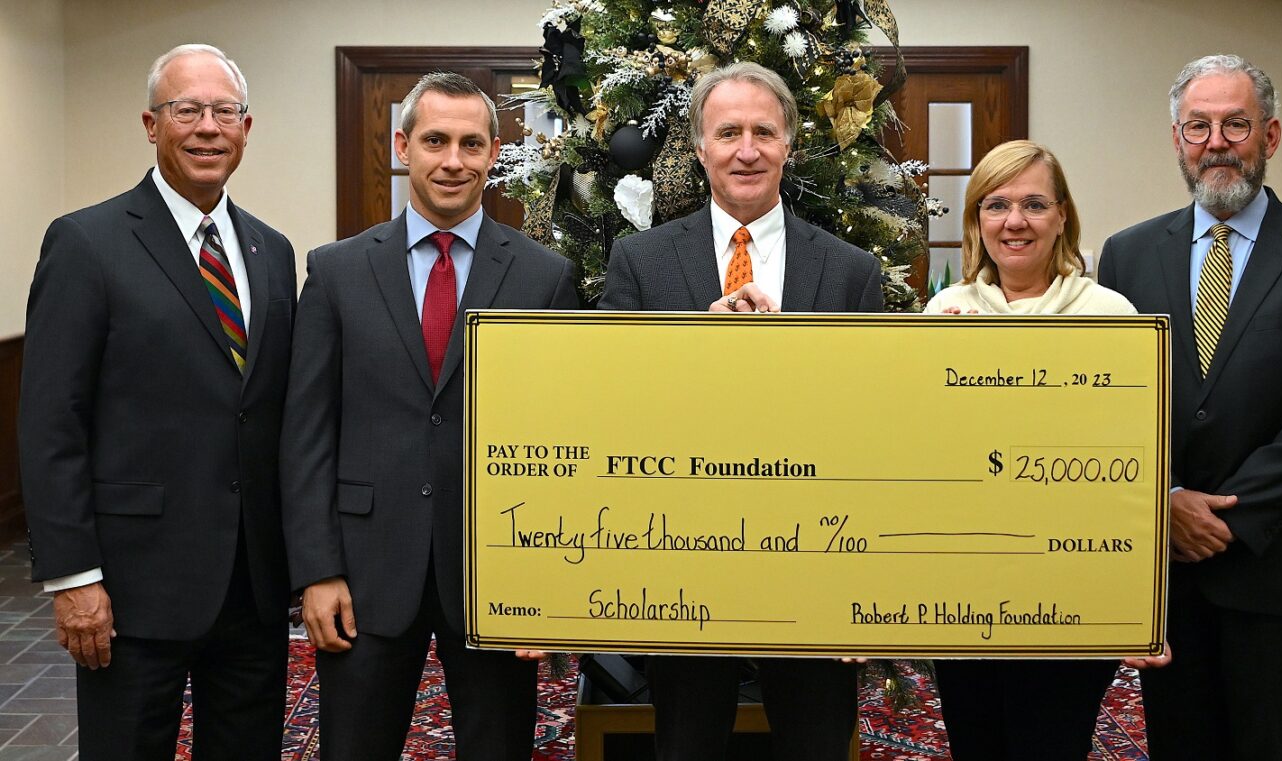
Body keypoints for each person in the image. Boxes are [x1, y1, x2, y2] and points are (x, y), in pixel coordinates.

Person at [280, 71, 579, 761]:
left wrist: (548, 586)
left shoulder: (544, 277)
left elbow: (565, 435)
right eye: (436, 140)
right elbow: (306, 434)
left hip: (496, 568)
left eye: (471, 143)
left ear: (495, 153)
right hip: (364, 567)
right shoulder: (337, 271)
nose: (453, 160)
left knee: (498, 747)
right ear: (401, 145)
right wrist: (317, 571)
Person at [17, 44, 295, 760]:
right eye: (187, 110)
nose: (208, 127)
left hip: (253, 586)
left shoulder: (273, 250)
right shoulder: (87, 242)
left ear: (247, 126)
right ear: (151, 123)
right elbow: (52, 423)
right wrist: (75, 578)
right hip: (133, 587)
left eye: (224, 111)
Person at [1098, 54, 1282, 761]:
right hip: (1168, 570)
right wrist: (1165, 502)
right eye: (1198, 125)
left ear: (1271, 135)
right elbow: (1114, 400)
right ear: (1177, 138)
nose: (1216, 142)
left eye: (1235, 124)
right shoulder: (1127, 255)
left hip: (1278, 568)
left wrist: (1224, 513)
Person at [599, 61, 881, 761]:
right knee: (686, 744)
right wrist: (700, 348)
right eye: (728, 132)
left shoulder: (850, 271)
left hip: (817, 557)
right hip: (684, 557)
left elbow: (874, 424)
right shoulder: (639, 261)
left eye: (763, 130)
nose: (747, 149)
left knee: (816, 742)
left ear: (790, 144)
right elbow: (611, 403)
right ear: (700, 149)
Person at [924, 139, 1132, 760]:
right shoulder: (943, 312)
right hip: (965, 584)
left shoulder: (1111, 316)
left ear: (1063, 215)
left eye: (1034, 204)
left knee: (1051, 741)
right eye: (996, 205)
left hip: (1069, 580)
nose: (1014, 221)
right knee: (976, 740)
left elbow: (1132, 463)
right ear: (976, 221)